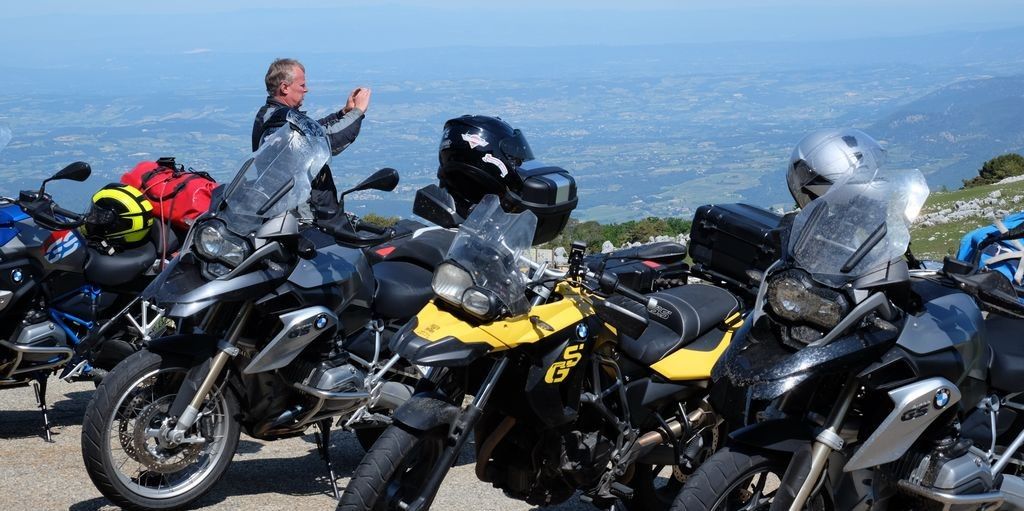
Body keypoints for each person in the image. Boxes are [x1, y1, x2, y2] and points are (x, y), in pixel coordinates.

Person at [252, 58, 371, 155]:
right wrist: (358, 111)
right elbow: (326, 140)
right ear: (284, 88)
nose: (306, 89)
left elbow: (312, 129)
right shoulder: (276, 123)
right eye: (302, 85)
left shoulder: (270, 114)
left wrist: (344, 113)